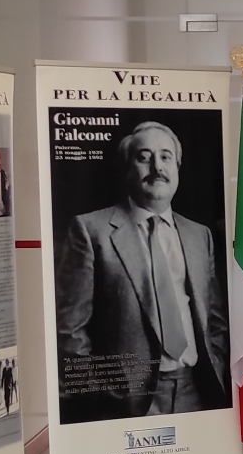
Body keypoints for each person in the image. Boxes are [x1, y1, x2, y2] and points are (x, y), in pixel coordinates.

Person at [55, 120, 230, 417]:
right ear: (128, 169)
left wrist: (217, 362)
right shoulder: (90, 230)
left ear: (177, 168)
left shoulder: (199, 235)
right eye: (144, 156)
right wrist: (104, 390)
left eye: (165, 157)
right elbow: (70, 331)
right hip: (126, 401)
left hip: (198, 392)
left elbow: (215, 320)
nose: (156, 166)